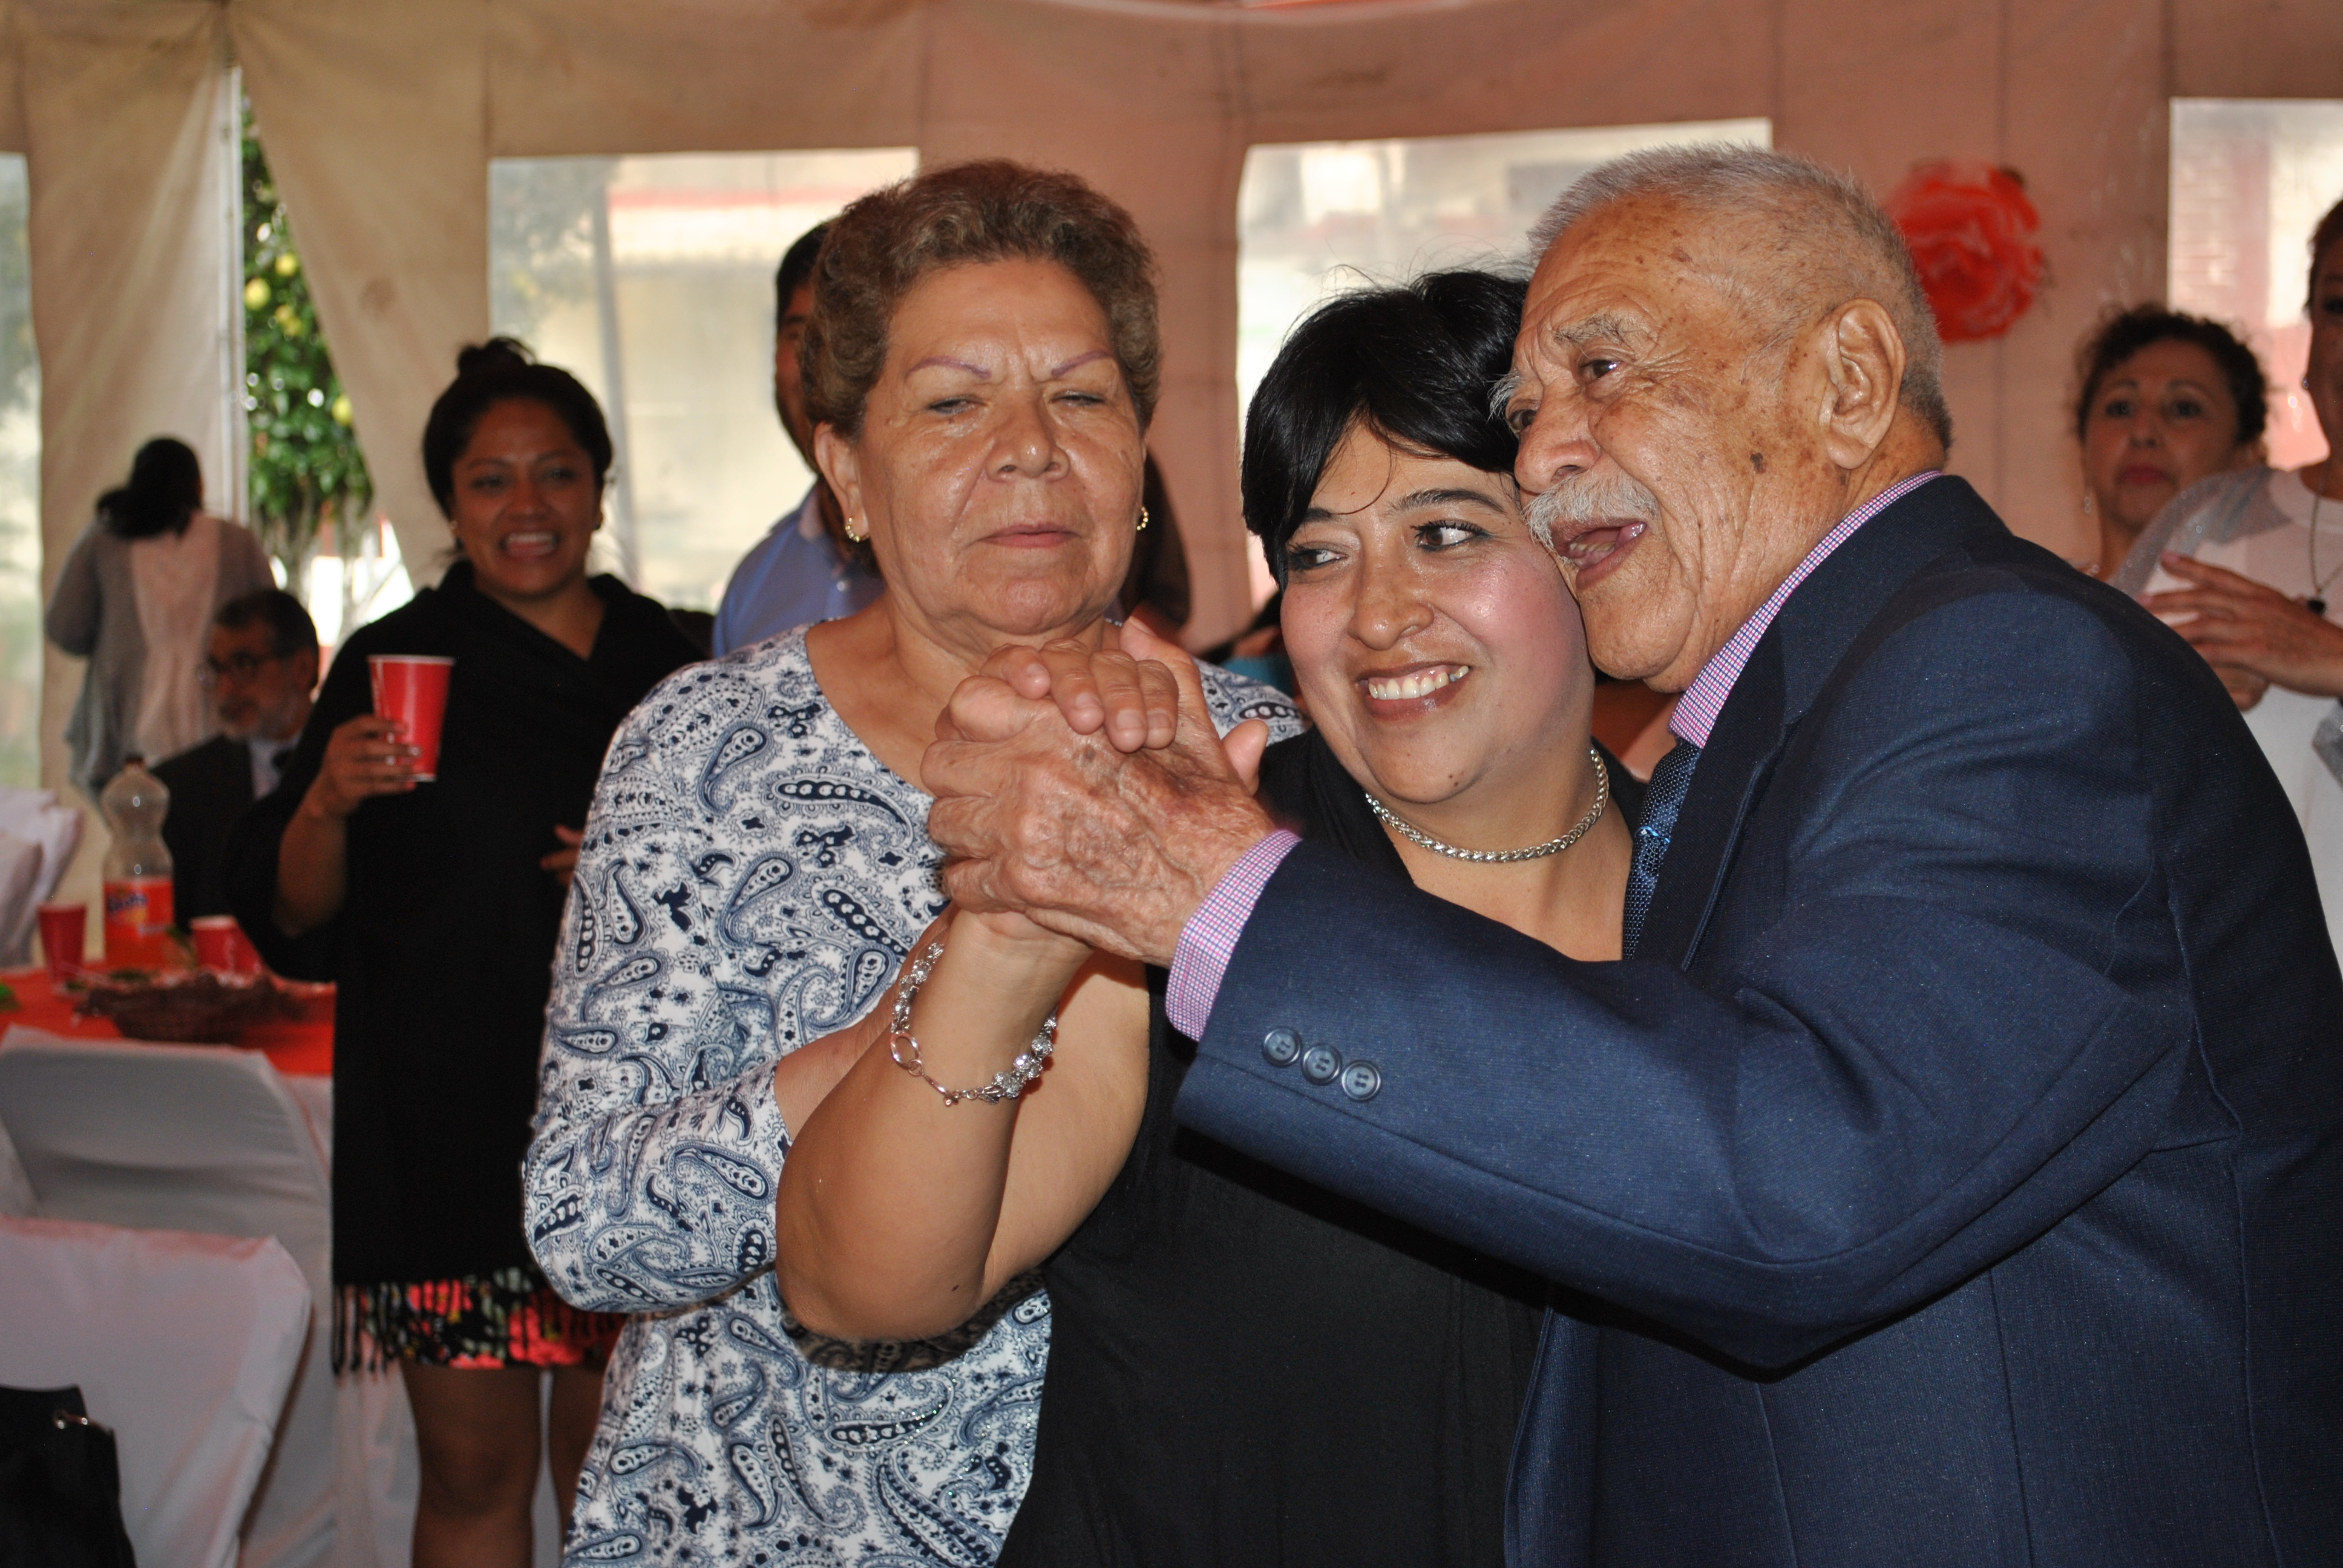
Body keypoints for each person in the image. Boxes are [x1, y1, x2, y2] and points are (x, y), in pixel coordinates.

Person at [921, 146, 2342, 1567]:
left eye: (1601, 372)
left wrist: (1217, 896)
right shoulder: (1790, 723)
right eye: (1527, 411)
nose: (1544, 453)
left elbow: (1798, 1179)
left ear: (1847, 382)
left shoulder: (2001, 664)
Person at [775, 272, 1642, 1567]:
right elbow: (859, 1285)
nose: (1377, 614)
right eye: (1318, 555)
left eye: (1447, 532)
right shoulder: (1195, 878)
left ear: (1587, 544)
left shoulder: (1730, 883)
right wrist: (1020, 923)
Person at [523, 161, 1298, 1566]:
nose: (1029, 448)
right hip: (749, 1530)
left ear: (1138, 459)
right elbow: (589, 1224)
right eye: (952, 404)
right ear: (846, 478)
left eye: (1081, 397)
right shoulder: (706, 753)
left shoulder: (1255, 764)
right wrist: (928, 1019)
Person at [226, 340, 701, 1568]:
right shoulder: (392, 662)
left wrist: (639, 870)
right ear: (449, 503)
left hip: (634, 1130)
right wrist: (326, 800)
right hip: (445, 1142)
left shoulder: (674, 664)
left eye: (556, 473)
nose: (526, 506)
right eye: (491, 480)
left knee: (618, 1482)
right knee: (474, 1478)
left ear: (599, 489)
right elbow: (297, 917)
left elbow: (749, 901)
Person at [2112, 195, 2343, 957]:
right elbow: (2077, 739)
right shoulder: (2209, 518)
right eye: (2338, 307)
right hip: (2225, 995)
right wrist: (2171, 696)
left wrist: (2330, 659)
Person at [45, 437, 276, 797]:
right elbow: (273, 625)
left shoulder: (106, 539)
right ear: (198, 485)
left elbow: (65, 628)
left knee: (135, 822)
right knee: (215, 817)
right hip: (216, 723)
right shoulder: (235, 542)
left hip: (129, 729)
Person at [710, 221, 883, 654]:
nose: (820, 370)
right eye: (800, 336)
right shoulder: (753, 587)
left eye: (849, 341)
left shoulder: (977, 571)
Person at [152, 590, 319, 921]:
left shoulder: (354, 765)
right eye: (216, 670)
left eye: (244, 665)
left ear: (302, 669)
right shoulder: (178, 788)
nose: (225, 690)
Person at [2073, 304, 2268, 580]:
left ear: (2247, 455)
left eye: (2183, 409)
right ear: (2084, 450)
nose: (2143, 432)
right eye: (2121, 408)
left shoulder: (2282, 601)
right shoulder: (2034, 597)